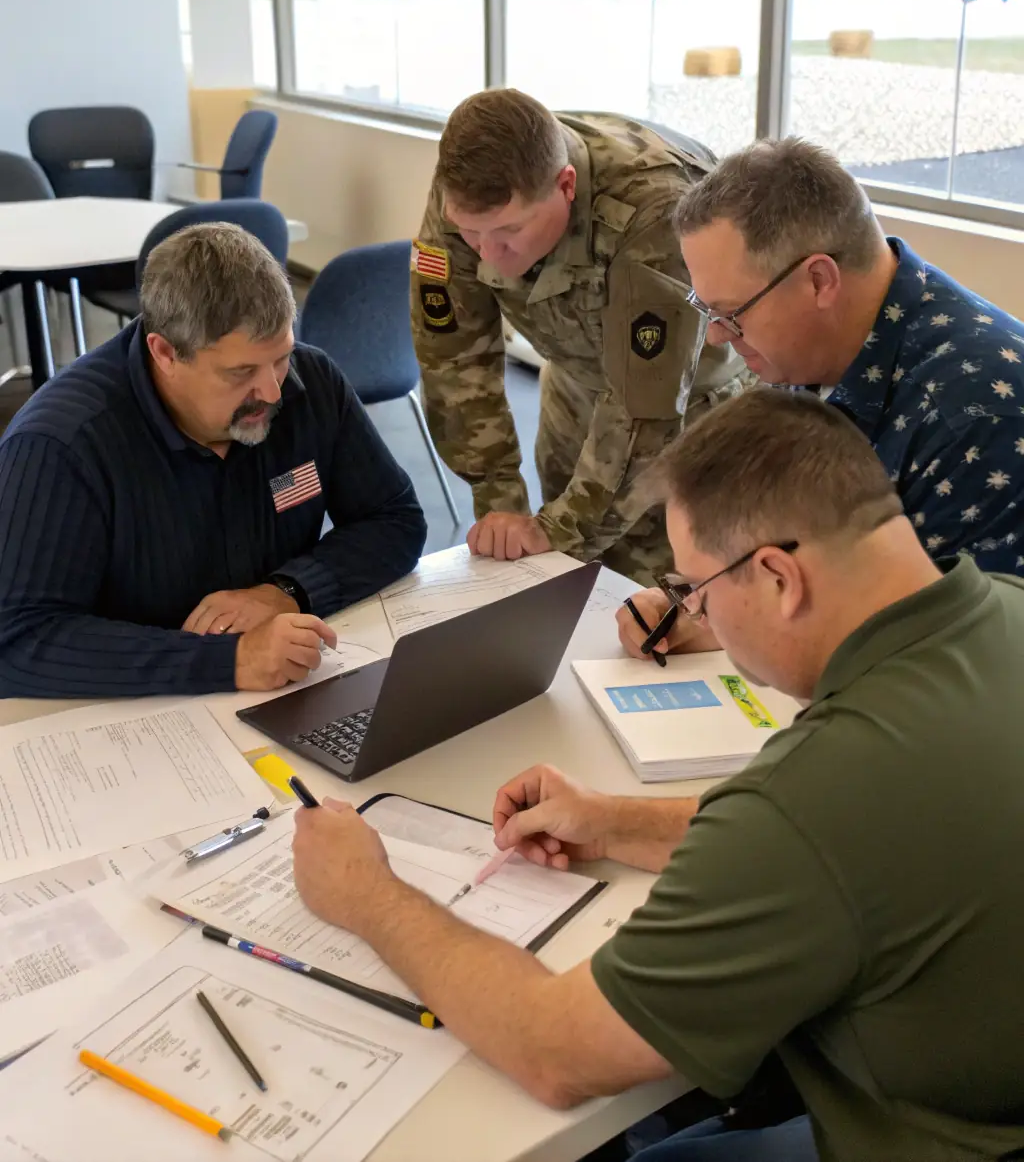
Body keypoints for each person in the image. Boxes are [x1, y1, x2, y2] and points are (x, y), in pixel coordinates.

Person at [293, 389, 1024, 1162]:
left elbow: (555, 1050)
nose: (691, 612)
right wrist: (617, 821)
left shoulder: (808, 800)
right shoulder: (1000, 607)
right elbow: (872, 832)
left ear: (778, 576)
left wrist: (366, 893)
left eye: (695, 590)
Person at [619, 135, 1024, 659]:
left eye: (732, 313)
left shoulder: (974, 420)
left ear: (818, 280)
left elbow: (951, 662)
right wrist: (710, 608)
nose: (718, 336)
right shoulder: (814, 348)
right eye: (707, 309)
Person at [0, 223, 426, 699]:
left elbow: (395, 520)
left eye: (280, 356)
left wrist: (284, 592)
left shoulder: (313, 383)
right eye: (241, 371)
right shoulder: (62, 444)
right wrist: (230, 660)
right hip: (128, 719)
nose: (273, 391)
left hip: (283, 690)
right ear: (164, 352)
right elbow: (19, 642)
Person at [411, 87, 747, 585]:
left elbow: (645, 405)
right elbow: (452, 358)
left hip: (698, 413)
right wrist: (500, 503)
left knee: (669, 600)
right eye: (471, 235)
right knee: (567, 584)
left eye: (508, 232)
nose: (487, 256)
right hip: (574, 390)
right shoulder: (463, 195)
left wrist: (558, 529)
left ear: (565, 185)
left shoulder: (652, 207)